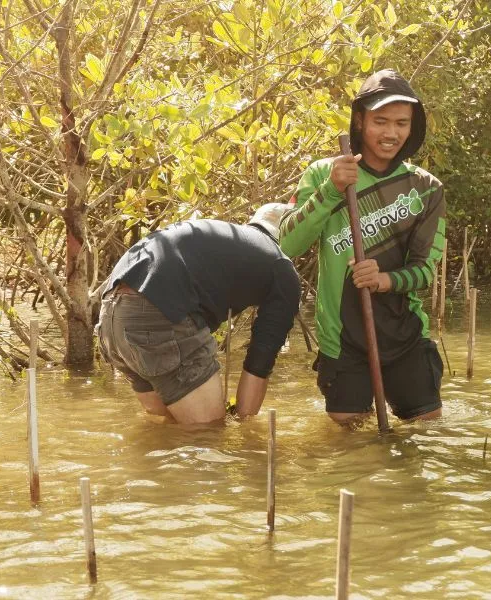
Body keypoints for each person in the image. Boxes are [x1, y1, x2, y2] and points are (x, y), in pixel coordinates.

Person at [279, 68, 446, 426]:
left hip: (406, 336)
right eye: (380, 121)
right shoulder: (323, 174)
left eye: (401, 123)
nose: (391, 133)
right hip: (343, 340)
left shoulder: (427, 188)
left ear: (413, 126)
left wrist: (384, 279)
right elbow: (287, 242)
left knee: (426, 437)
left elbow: (425, 271)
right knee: (349, 447)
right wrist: (331, 192)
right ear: (359, 121)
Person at [96, 204, 300, 425]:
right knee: (209, 433)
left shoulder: (233, 242)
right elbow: (260, 362)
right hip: (156, 313)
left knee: (166, 428)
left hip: (111, 315)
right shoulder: (281, 267)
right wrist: (241, 429)